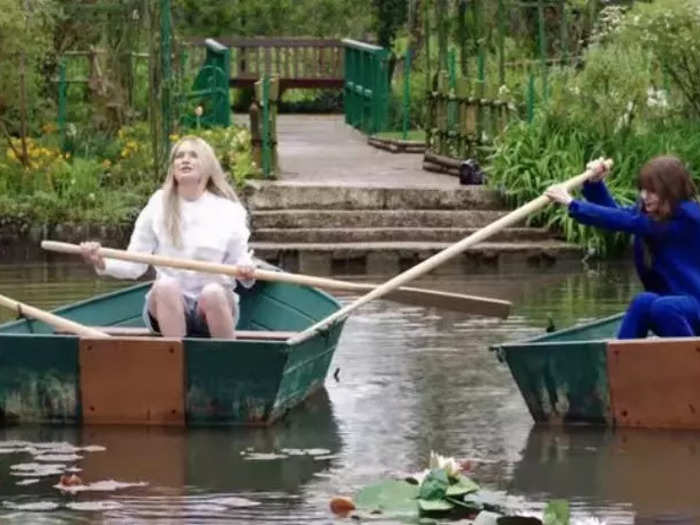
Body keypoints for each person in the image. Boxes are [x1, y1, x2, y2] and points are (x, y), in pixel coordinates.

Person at [81, 136, 256, 339]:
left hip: (213, 307)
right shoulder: (158, 204)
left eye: (193, 155)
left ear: (208, 167)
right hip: (168, 306)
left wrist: (246, 271)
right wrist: (102, 263)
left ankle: (228, 364)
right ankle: (174, 360)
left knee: (213, 292)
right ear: (173, 169)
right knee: (166, 286)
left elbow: (241, 264)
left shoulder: (229, 210)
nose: (185, 160)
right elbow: (134, 265)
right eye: (179, 156)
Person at [545, 155, 700, 339]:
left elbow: (627, 221)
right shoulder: (652, 215)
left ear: (670, 191)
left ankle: (692, 361)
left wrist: (571, 203)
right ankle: (621, 363)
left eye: (652, 191)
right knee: (643, 302)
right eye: (642, 189)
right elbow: (616, 214)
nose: (644, 196)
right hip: (672, 306)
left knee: (664, 307)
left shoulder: (687, 217)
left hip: (692, 306)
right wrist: (595, 184)